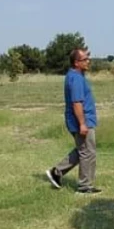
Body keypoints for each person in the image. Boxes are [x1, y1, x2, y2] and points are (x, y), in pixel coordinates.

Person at [46, 48, 100, 194]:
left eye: (88, 58)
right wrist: (82, 123)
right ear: (76, 62)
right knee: (87, 152)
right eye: (85, 59)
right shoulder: (75, 78)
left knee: (83, 150)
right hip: (81, 121)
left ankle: (56, 172)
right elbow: (77, 103)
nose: (88, 61)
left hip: (83, 120)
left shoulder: (76, 76)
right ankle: (84, 187)